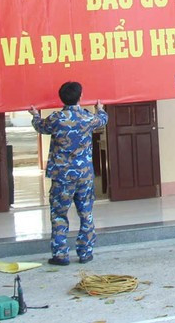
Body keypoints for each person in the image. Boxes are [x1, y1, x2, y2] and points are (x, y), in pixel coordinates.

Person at [29, 82, 108, 265]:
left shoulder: (56, 118)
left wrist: (34, 115)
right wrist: (100, 109)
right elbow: (103, 120)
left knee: (59, 214)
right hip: (84, 176)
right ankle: (85, 252)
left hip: (62, 176)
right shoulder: (87, 118)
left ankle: (60, 254)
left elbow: (40, 127)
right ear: (80, 97)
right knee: (86, 213)